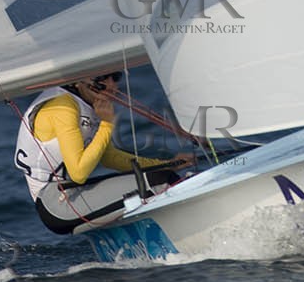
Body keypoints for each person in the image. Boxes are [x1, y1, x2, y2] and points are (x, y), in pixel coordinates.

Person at [14, 72, 194, 234]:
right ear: (78, 81)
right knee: (163, 181)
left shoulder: (84, 104)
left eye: (116, 77)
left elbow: (110, 158)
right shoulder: (63, 108)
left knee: (165, 174)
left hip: (72, 194)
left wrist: (169, 163)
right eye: (103, 77)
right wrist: (107, 124)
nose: (112, 85)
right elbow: (78, 173)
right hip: (57, 204)